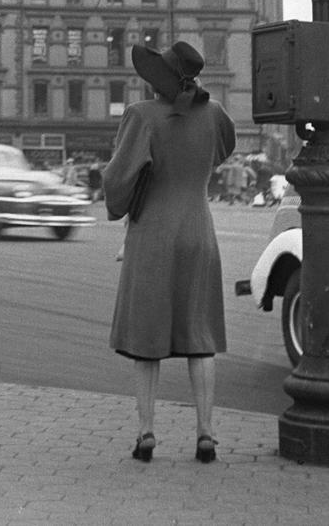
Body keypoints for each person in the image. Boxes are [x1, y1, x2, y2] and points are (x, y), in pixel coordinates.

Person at [102, 39, 236, 465]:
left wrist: (121, 203)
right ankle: (206, 435)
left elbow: (118, 179)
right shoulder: (215, 114)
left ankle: (146, 433)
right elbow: (225, 147)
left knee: (146, 339)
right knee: (201, 340)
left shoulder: (141, 116)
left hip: (153, 234)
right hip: (199, 230)